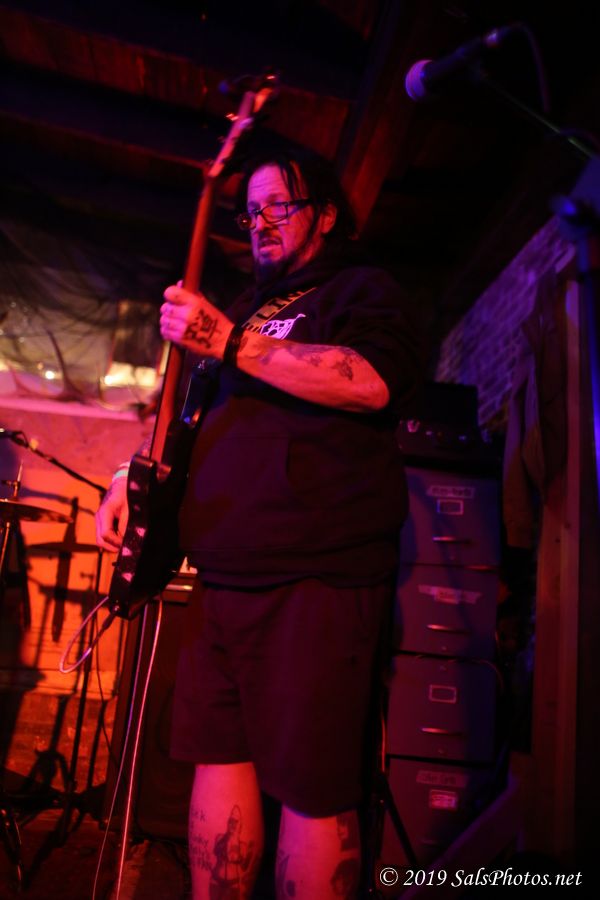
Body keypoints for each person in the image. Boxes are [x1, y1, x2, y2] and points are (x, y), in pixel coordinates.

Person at [96, 148, 422, 899]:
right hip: (221, 573)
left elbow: (373, 383)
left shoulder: (361, 289)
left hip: (317, 573)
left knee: (313, 784)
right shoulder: (245, 307)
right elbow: (192, 425)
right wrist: (127, 477)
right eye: (251, 211)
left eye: (281, 204)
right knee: (218, 758)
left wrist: (233, 343)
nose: (261, 221)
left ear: (326, 215)